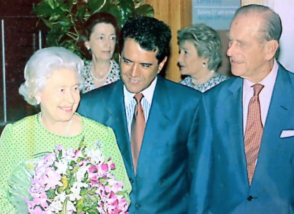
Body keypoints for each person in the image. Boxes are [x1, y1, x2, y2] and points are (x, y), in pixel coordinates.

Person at [78, 16, 211, 213]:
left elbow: (201, 177)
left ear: (161, 64)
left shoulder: (189, 105)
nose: (134, 73)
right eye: (127, 61)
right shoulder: (90, 107)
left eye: (145, 65)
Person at [190, 4, 294, 214]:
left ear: (269, 48)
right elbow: (202, 178)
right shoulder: (213, 101)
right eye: (231, 41)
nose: (230, 51)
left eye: (241, 44)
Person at [0, 47, 131, 213]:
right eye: (61, 90)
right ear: (37, 92)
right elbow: (1, 199)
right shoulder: (16, 135)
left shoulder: (100, 135)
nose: (71, 99)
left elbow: (121, 193)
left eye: (75, 88)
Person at [177, 23, 228, 92]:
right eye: (180, 52)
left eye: (186, 53)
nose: (179, 59)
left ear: (205, 57)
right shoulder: (179, 89)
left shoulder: (224, 88)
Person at [79, 12, 120, 93]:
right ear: (88, 44)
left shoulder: (123, 77)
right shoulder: (79, 76)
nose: (108, 44)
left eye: (112, 38)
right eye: (101, 38)